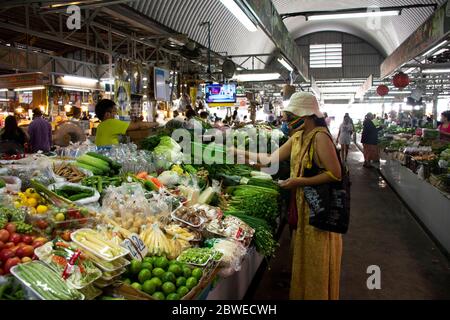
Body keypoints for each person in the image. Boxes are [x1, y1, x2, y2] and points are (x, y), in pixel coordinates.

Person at [232, 92, 342, 300]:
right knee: (303, 259)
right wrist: (240, 153)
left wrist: (299, 182)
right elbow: (268, 160)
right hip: (301, 209)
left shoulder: (320, 137)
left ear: (307, 115)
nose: (289, 122)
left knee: (316, 260)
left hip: (317, 211)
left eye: (292, 117)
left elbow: (335, 174)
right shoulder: (298, 137)